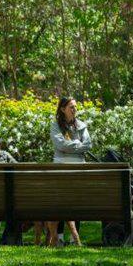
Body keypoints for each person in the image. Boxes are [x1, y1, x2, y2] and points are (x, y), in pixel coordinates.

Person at [47, 96, 90, 247]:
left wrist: (73, 145)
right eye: (71, 107)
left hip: (79, 167)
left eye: (75, 107)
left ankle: (73, 240)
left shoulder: (82, 125)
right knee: (60, 201)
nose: (74, 110)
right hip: (61, 167)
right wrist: (77, 144)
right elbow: (60, 145)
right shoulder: (55, 126)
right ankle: (59, 238)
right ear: (62, 109)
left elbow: (88, 144)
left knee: (76, 201)